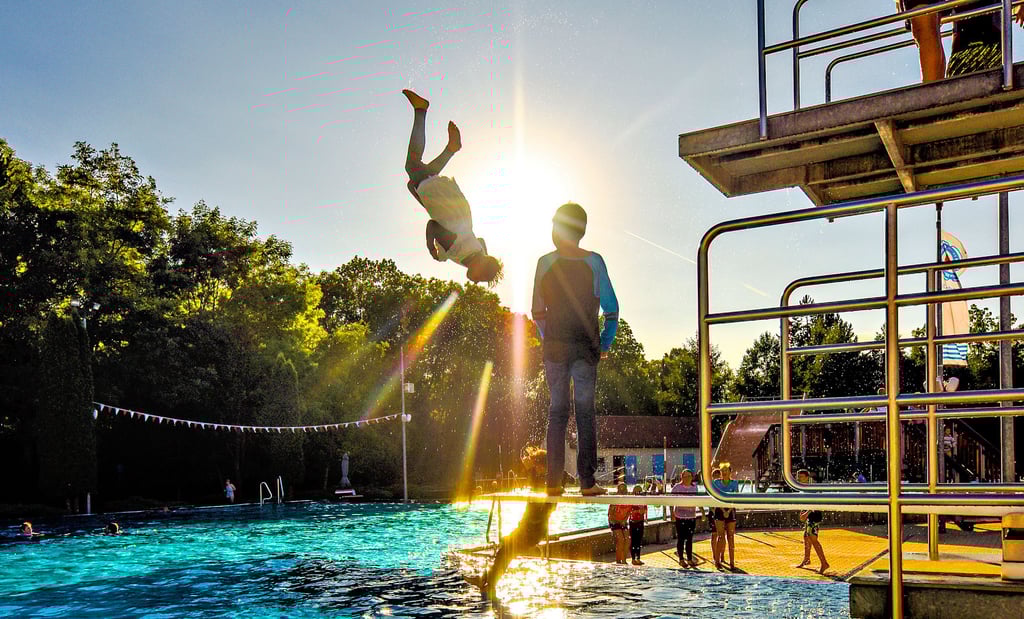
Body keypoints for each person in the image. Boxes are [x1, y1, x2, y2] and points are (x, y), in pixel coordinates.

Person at [532, 202, 619, 497]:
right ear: (581, 229)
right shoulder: (595, 262)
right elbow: (612, 310)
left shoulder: (544, 263)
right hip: (585, 349)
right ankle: (586, 482)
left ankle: (553, 483)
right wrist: (604, 343)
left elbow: (537, 311)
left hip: (555, 350)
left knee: (556, 413)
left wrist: (548, 339)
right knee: (584, 414)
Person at [401, 89, 502, 285]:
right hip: (442, 202)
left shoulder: (475, 253)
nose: (474, 281)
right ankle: (421, 110)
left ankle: (451, 149)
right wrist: (431, 248)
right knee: (412, 165)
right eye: (479, 277)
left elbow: (481, 240)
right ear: (480, 264)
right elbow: (432, 227)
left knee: (414, 182)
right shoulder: (454, 249)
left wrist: (486, 256)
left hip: (454, 208)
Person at [899, 1, 1024, 81]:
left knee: (924, 23)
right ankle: (931, 96)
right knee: (924, 23)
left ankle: (930, 97)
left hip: (981, 49)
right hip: (977, 50)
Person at [795, 469, 830, 574]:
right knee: (806, 537)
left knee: (813, 539)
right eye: (797, 477)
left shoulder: (811, 488)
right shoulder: (802, 488)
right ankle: (807, 559)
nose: (798, 479)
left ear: (807, 477)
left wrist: (806, 514)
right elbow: (804, 503)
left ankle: (824, 563)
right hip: (809, 516)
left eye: (801, 477)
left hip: (814, 515)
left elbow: (815, 503)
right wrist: (802, 513)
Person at [712, 462, 739, 571]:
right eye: (722, 471)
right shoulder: (716, 483)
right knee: (720, 536)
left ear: (730, 472)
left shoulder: (734, 483)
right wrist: (723, 510)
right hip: (720, 511)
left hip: (731, 511)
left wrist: (729, 510)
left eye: (726, 471)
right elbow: (715, 498)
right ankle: (717, 560)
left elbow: (736, 499)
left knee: (731, 537)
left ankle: (732, 561)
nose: (724, 473)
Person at [672, 469, 698, 568]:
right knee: (681, 538)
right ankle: (681, 559)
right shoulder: (677, 487)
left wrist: (703, 512)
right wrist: (672, 514)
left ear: (692, 477)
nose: (687, 478)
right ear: (681, 477)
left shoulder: (694, 487)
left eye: (689, 476)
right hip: (680, 516)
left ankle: (690, 558)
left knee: (689, 539)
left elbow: (698, 501)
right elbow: (671, 500)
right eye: (685, 476)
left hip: (691, 516)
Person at [628, 485, 647, 566]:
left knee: (638, 541)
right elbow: (630, 511)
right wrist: (638, 511)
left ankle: (638, 558)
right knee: (633, 540)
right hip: (633, 522)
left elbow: (644, 511)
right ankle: (633, 558)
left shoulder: (643, 501)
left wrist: (639, 511)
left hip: (640, 521)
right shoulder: (632, 500)